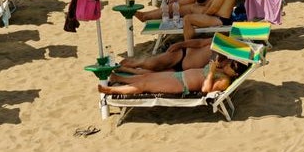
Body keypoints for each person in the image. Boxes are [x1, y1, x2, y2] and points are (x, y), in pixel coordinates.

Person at [96, 52, 244, 96]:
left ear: (235, 74)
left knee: (145, 85)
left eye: (233, 66)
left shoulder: (224, 81)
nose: (229, 64)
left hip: (181, 84)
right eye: (231, 62)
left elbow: (206, 90)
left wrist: (211, 73)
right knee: (147, 76)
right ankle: (117, 77)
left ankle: (110, 90)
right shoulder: (220, 69)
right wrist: (215, 66)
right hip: (179, 76)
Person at [115, 38, 213, 75]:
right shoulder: (222, 41)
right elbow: (200, 42)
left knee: (152, 74)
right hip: (183, 55)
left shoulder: (227, 58)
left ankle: (127, 70)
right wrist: (180, 45)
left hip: (185, 71)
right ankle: (136, 63)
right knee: (152, 64)